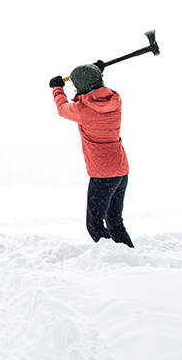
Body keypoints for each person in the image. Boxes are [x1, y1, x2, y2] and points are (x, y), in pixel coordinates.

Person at [50, 64, 132, 247]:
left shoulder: (83, 110)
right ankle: (130, 259)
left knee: (94, 225)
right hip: (121, 171)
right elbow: (98, 92)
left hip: (102, 175)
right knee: (115, 223)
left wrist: (57, 89)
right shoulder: (115, 99)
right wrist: (96, 72)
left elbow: (63, 108)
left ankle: (116, 261)